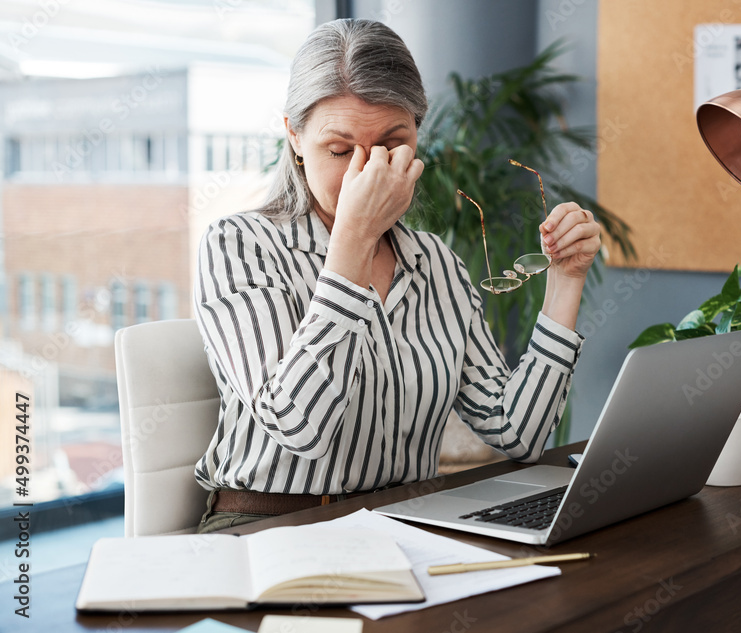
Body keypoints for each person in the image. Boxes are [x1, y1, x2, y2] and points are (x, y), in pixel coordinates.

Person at [193, 18, 602, 533]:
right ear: (295, 139)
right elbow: (298, 426)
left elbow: (518, 433)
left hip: (404, 521)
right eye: (339, 151)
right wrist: (354, 242)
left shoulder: (437, 263)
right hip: (271, 527)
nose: (367, 172)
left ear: (417, 135)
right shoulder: (239, 245)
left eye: (393, 143)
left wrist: (565, 283)